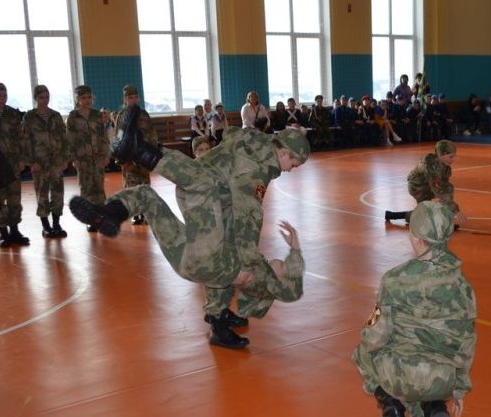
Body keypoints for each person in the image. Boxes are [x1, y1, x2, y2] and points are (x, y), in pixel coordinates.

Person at [70, 123, 311, 348]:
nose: (291, 170)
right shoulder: (258, 166)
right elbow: (249, 214)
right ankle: (139, 150)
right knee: (208, 191)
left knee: (147, 195)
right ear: (284, 153)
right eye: (294, 164)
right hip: (202, 230)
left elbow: (232, 140)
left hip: (196, 221)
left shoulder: (251, 144)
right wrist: (251, 261)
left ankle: (111, 211)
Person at [352, 201, 477, 417]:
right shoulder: (462, 285)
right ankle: (435, 407)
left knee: (362, 351)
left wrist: (366, 337)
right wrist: (459, 388)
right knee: (430, 372)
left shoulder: (395, 279)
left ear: (418, 238)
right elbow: (467, 341)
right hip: (444, 379)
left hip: (403, 374)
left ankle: (392, 413)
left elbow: (375, 336)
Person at [384, 140, 467, 227]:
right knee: (425, 217)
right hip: (418, 187)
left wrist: (448, 205)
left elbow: (444, 188)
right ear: (442, 154)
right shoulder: (429, 162)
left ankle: (441, 219)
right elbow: (436, 187)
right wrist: (454, 208)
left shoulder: (446, 169)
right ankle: (406, 216)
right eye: (450, 157)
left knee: (448, 189)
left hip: (428, 187)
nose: (453, 160)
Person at [0, 82, 31, 247]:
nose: (2, 99)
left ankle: (15, 230)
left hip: (13, 162)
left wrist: (22, 159)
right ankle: (3, 232)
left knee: (14, 198)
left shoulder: (12, 113)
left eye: (4, 95)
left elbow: (21, 138)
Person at [23, 85, 69, 238]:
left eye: (47, 97)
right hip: (39, 161)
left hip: (56, 161)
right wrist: (31, 161)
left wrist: (64, 158)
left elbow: (64, 138)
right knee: (42, 193)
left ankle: (56, 224)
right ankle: (46, 225)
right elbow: (26, 140)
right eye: (41, 97)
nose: (44, 100)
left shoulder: (56, 116)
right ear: (36, 98)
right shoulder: (29, 117)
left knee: (58, 193)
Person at [66, 85, 111, 232]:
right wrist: (74, 158)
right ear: (77, 99)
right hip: (82, 159)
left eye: (89, 97)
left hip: (98, 158)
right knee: (86, 189)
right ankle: (90, 219)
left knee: (99, 188)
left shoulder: (97, 115)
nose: (87, 100)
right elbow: (70, 139)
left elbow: (103, 137)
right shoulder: (73, 117)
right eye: (83, 97)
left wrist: (106, 155)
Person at [113, 85, 158, 225]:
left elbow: (152, 135)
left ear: (138, 98)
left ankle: (145, 212)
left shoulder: (144, 114)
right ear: (125, 99)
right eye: (129, 97)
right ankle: (135, 214)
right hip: (129, 157)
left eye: (135, 97)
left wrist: (153, 155)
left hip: (143, 156)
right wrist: (120, 158)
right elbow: (118, 136)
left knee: (144, 185)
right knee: (131, 186)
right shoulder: (122, 115)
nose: (133, 99)